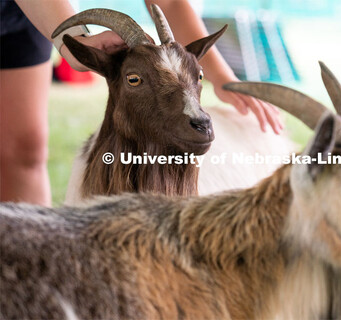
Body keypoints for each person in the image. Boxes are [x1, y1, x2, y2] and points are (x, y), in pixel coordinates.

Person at [0, 0, 283, 206]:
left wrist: (220, 76)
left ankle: (22, 268)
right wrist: (73, 40)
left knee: (25, 147)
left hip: (24, 14)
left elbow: (168, 2)